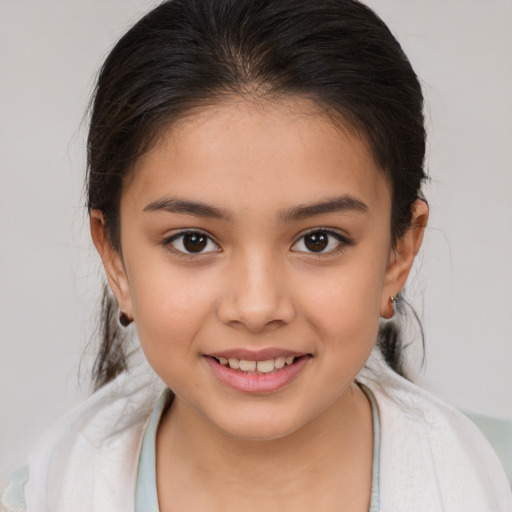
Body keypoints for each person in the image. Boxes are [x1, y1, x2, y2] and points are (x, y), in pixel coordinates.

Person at [1, 0, 511, 511]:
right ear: (115, 258)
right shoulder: (42, 498)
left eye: (318, 240)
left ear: (399, 251)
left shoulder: (496, 482)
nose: (257, 306)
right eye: (193, 241)